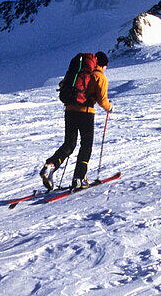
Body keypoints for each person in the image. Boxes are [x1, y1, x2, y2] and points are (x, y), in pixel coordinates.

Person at [41, 51, 112, 191]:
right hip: (86, 113)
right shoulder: (100, 77)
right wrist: (109, 107)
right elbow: (102, 101)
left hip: (69, 110)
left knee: (69, 143)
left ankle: (50, 166)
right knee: (86, 145)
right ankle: (78, 178)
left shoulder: (79, 71)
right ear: (102, 65)